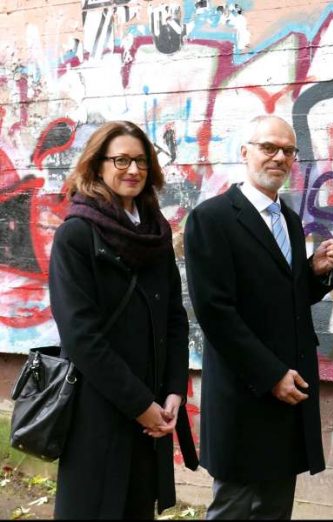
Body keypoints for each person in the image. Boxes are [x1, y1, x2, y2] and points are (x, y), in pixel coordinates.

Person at [184, 115, 333, 519]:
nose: (278, 157)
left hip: (290, 386)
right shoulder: (211, 218)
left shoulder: (288, 218)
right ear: (245, 153)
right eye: (267, 148)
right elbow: (215, 312)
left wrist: (314, 271)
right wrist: (271, 374)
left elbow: (286, 299)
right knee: (234, 508)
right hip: (246, 390)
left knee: (275, 508)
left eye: (287, 151)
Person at [48, 120, 198, 519]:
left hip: (152, 413)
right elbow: (81, 336)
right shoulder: (76, 235)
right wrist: (140, 405)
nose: (133, 170)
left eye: (141, 162)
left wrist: (172, 393)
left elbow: (174, 317)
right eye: (121, 160)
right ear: (97, 166)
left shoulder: (155, 233)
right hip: (97, 412)